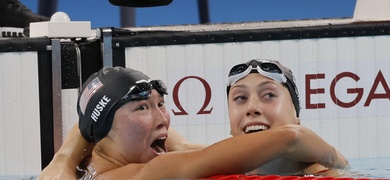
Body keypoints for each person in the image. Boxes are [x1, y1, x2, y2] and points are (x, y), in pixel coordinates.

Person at [39, 64, 348, 179]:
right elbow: (291, 138)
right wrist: (336, 160)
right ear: (105, 128)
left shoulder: (75, 166)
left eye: (161, 104)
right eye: (142, 108)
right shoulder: (148, 173)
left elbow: (186, 147)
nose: (163, 118)